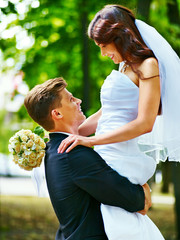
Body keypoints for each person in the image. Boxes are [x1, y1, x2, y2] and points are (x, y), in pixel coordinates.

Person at [58, 4, 180, 240]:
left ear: (120, 37)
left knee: (117, 223)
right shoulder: (124, 65)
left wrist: (91, 141)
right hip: (106, 148)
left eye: (104, 46)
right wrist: (62, 136)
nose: (103, 53)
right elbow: (106, 113)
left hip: (121, 153)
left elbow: (145, 123)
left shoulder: (148, 66)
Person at [24, 77, 152, 240]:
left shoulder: (54, 149)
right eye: (71, 99)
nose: (78, 101)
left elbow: (105, 112)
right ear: (57, 113)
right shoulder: (75, 154)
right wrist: (145, 187)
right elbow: (137, 201)